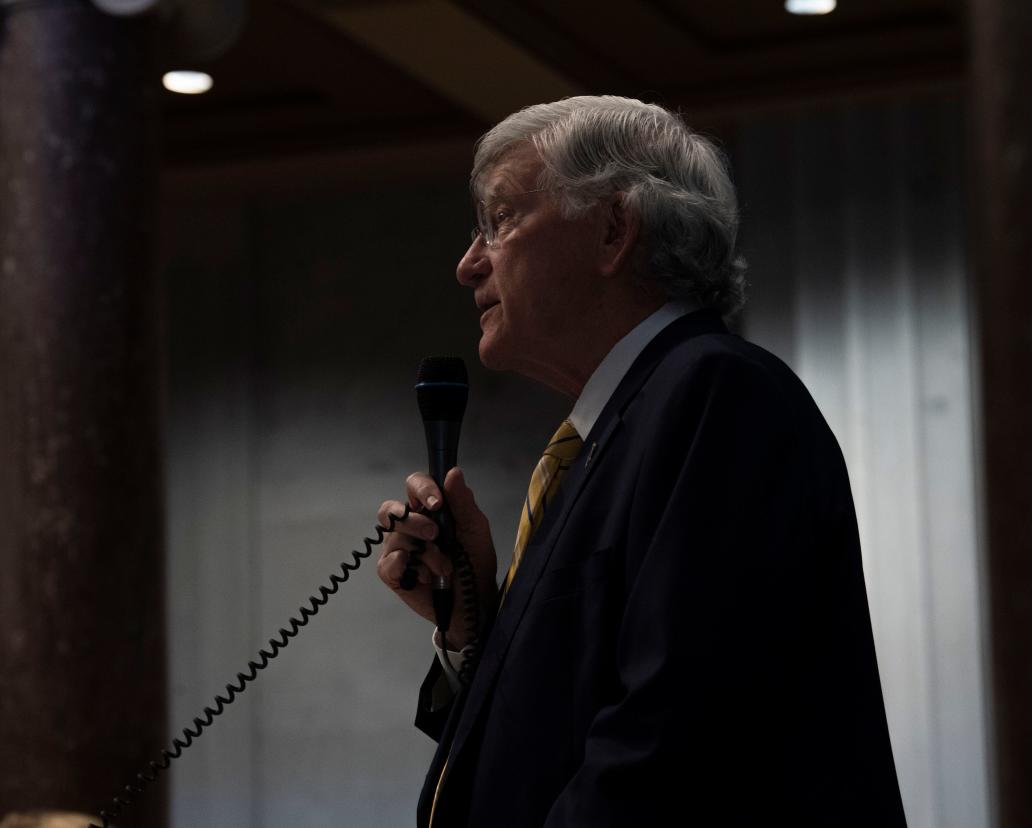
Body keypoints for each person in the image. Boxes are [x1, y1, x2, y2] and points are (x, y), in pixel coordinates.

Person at [376, 95, 905, 827]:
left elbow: (672, 751)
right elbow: (549, 744)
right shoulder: (610, 437)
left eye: (498, 221)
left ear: (614, 230)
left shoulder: (717, 397)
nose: (468, 264)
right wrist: (474, 627)